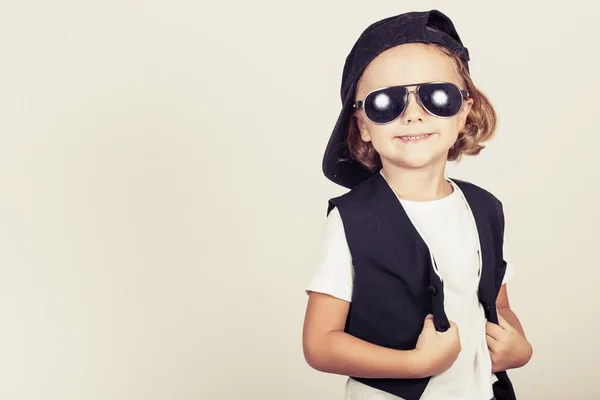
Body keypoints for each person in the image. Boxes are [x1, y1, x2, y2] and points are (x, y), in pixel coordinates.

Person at [302, 10, 533, 400]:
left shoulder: (485, 208)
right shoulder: (351, 220)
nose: (413, 114)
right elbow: (320, 343)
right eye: (385, 102)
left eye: (436, 96)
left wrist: (519, 347)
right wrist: (416, 365)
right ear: (362, 126)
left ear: (464, 111)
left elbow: (497, 304)